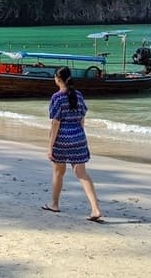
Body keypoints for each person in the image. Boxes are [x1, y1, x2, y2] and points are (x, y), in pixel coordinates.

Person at [43, 66, 104, 222]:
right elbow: (82, 118)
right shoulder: (78, 95)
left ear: (57, 79)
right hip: (78, 137)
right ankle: (95, 208)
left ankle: (54, 204)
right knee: (82, 174)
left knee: (58, 172)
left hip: (62, 139)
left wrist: (50, 146)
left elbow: (55, 123)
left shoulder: (57, 97)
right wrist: (79, 135)